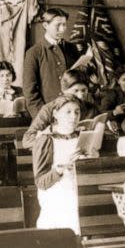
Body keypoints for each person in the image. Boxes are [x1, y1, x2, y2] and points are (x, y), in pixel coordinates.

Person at [32, 94, 97, 233]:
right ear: (55, 114)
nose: (73, 116)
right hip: (57, 193)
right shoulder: (46, 140)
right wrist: (60, 168)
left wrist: (93, 158)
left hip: (82, 189)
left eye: (77, 112)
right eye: (68, 112)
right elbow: (41, 183)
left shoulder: (84, 137)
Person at [22, 8, 80, 117]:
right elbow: (30, 92)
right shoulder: (34, 52)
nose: (62, 29)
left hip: (73, 112)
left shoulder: (72, 49)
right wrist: (44, 116)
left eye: (64, 25)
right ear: (45, 25)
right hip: (49, 114)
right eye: (57, 25)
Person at [22, 69, 97, 149]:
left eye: (84, 90)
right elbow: (28, 140)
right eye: (75, 91)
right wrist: (57, 135)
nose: (80, 96)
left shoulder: (91, 109)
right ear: (64, 90)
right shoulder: (49, 109)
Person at [99, 64, 125, 132]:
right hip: (119, 128)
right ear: (118, 81)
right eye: (123, 79)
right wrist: (115, 112)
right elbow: (102, 113)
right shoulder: (112, 93)